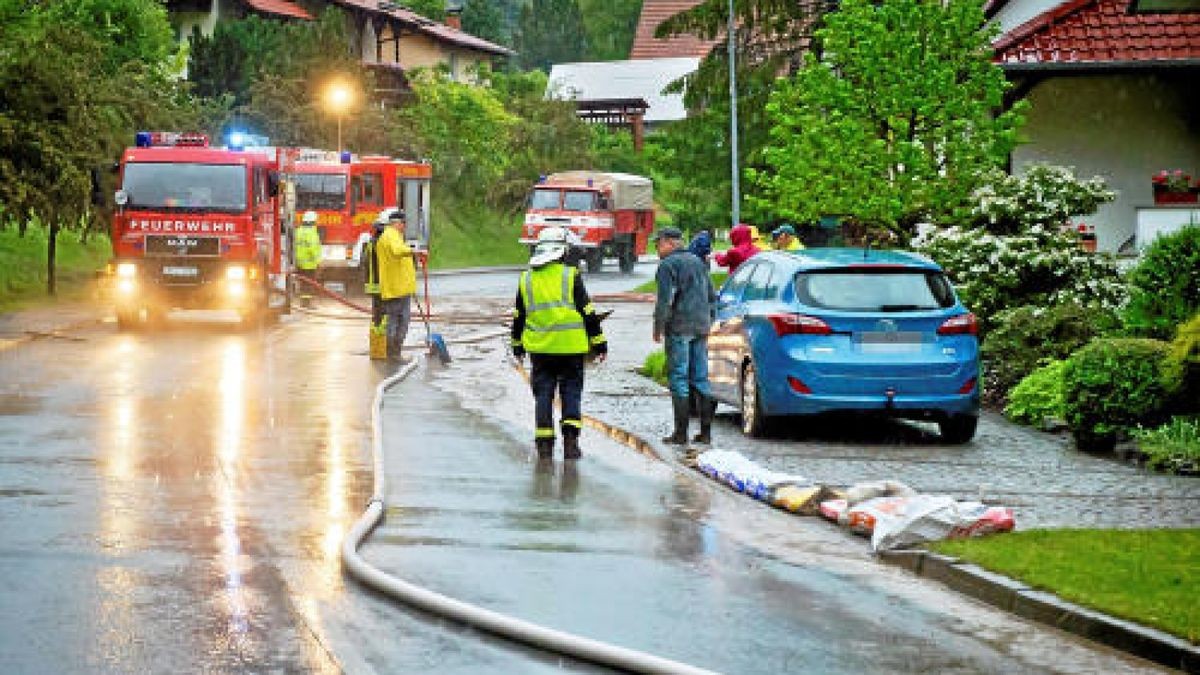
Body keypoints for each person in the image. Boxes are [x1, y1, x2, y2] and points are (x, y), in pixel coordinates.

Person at [511, 227, 607, 460]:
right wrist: (600, 343)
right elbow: (587, 311)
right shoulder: (570, 275)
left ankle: (544, 445)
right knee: (571, 392)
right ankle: (571, 444)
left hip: (540, 349)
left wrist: (517, 346)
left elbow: (519, 316)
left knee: (543, 394)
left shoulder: (526, 278)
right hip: (571, 348)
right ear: (561, 251)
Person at [652, 227, 717, 446]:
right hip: (701, 326)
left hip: (679, 327)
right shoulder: (698, 261)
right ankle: (706, 433)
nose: (656, 249)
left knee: (679, 378)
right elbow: (711, 295)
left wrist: (658, 326)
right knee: (700, 377)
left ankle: (681, 433)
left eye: (658, 243)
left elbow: (665, 300)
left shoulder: (667, 265)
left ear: (669, 243)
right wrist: (709, 320)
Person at [376, 209, 419, 362]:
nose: (405, 227)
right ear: (397, 223)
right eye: (403, 223)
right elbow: (397, 251)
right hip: (397, 288)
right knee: (400, 320)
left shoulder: (392, 236)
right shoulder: (391, 236)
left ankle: (393, 352)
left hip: (399, 286)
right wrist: (415, 251)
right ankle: (393, 353)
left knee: (397, 320)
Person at [361, 214, 387, 328]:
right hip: (383, 283)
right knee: (385, 311)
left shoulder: (370, 243)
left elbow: (363, 262)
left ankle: (376, 332)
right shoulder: (384, 244)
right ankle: (383, 336)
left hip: (372, 283)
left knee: (376, 310)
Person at [295, 210, 323, 279]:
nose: (318, 222)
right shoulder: (311, 233)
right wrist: (318, 263)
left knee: (302, 284)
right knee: (310, 286)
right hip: (310, 266)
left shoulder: (298, 230)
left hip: (299, 264)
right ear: (313, 221)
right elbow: (313, 249)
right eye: (317, 220)